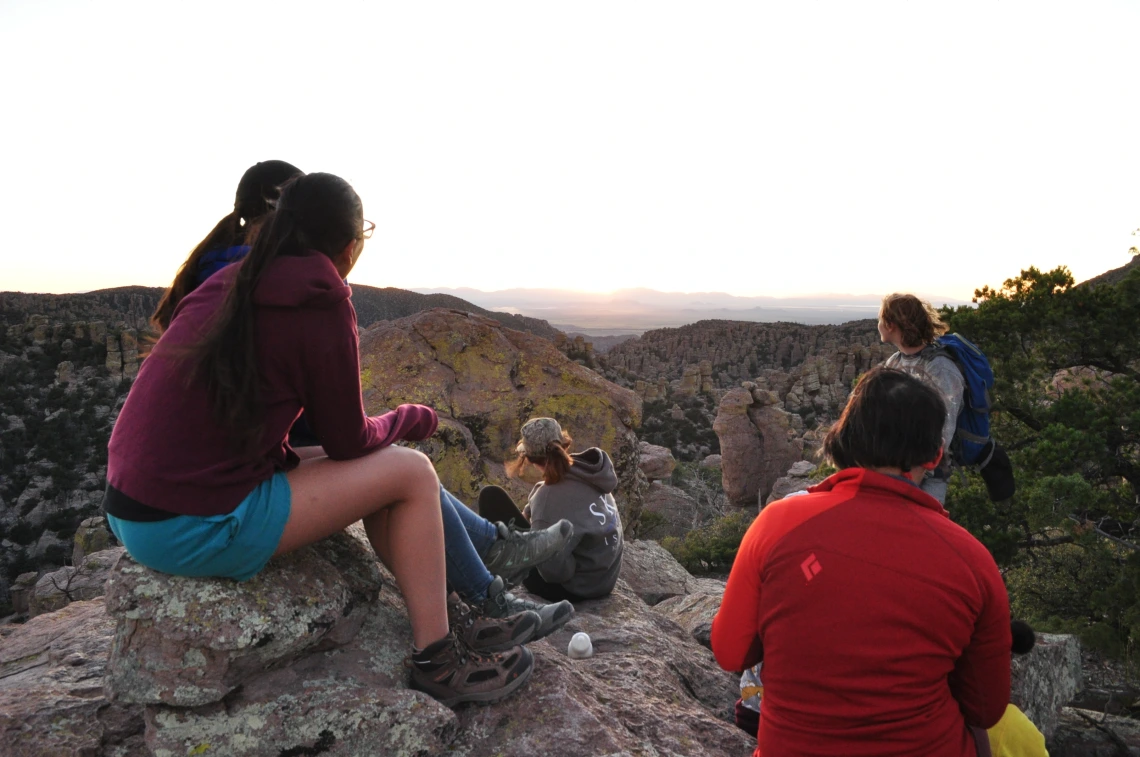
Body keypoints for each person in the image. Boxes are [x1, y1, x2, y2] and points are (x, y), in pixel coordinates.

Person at [105, 172, 536, 706]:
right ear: (352, 246)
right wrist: (410, 416)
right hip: (189, 524)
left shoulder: (234, 279)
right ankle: (439, 660)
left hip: (132, 510)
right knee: (410, 471)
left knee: (386, 470)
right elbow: (350, 440)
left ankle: (453, 615)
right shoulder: (321, 299)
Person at [711, 366, 1011, 757]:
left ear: (842, 440)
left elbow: (730, 653)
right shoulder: (972, 559)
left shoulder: (777, 524)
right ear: (935, 454)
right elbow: (986, 709)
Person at [481, 417, 624, 603]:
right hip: (604, 579)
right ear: (564, 443)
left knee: (491, 497)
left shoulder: (548, 497)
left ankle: (484, 576)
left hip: (573, 590)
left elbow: (553, 574)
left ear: (529, 458)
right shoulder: (588, 471)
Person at [878, 293, 965, 503]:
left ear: (890, 325)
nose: (878, 324)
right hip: (895, 469)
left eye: (880, 320)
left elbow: (943, 431)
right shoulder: (895, 362)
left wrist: (913, 475)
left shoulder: (940, 369)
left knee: (921, 530)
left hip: (927, 476)